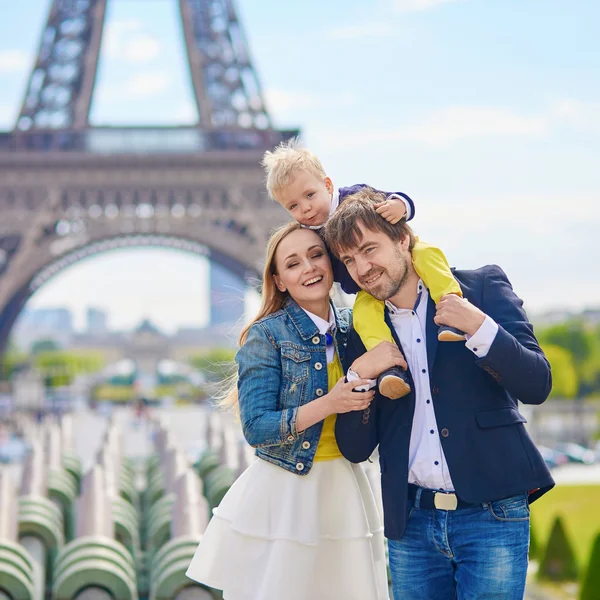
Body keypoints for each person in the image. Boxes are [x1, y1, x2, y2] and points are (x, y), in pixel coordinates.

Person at [322, 188, 555, 600]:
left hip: (492, 515)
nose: (361, 269)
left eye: (369, 249)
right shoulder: (360, 330)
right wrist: (359, 376)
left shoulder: (479, 288)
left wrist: (480, 327)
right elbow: (356, 447)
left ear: (401, 238)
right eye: (349, 260)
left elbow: (537, 384)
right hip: (410, 525)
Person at [186, 222, 391, 600]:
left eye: (316, 256)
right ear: (278, 280)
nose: (309, 268)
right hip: (288, 489)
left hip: (347, 487)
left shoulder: (359, 327)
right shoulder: (266, 335)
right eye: (293, 263)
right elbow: (256, 427)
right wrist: (332, 402)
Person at [262, 138, 465, 402]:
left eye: (309, 195)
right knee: (363, 316)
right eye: (293, 206)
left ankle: (451, 308)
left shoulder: (355, 196)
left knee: (427, 254)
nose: (306, 208)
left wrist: (400, 206)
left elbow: (398, 201)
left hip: (408, 255)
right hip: (366, 289)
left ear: (328, 185)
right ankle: (389, 365)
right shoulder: (310, 237)